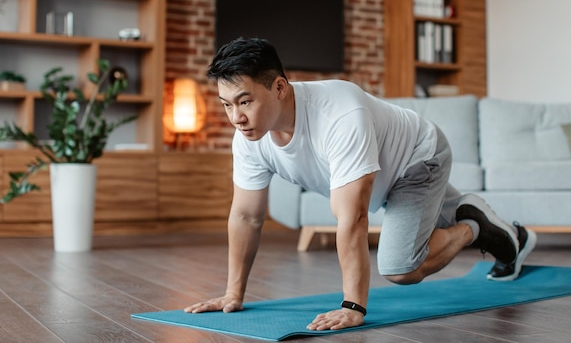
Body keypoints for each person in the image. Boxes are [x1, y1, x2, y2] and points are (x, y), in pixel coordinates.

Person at [184, 37, 536, 331]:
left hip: (417, 159)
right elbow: (246, 217)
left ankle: (472, 224)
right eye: (227, 105)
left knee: (401, 269)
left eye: (245, 101)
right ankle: (510, 239)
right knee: (415, 244)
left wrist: (353, 306)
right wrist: (233, 294)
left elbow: (352, 219)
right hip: (385, 174)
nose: (236, 118)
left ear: (279, 87)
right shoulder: (248, 138)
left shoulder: (339, 114)